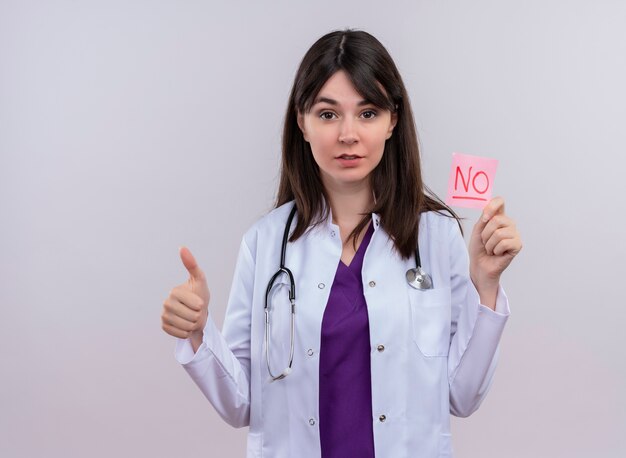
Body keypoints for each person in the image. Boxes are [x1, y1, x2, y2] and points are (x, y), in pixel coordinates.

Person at [161, 29, 522, 458]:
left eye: (367, 113)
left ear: (393, 122)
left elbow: (463, 396)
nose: (348, 134)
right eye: (328, 114)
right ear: (302, 121)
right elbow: (242, 403)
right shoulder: (266, 242)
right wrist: (200, 333)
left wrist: (486, 287)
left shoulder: (436, 236)